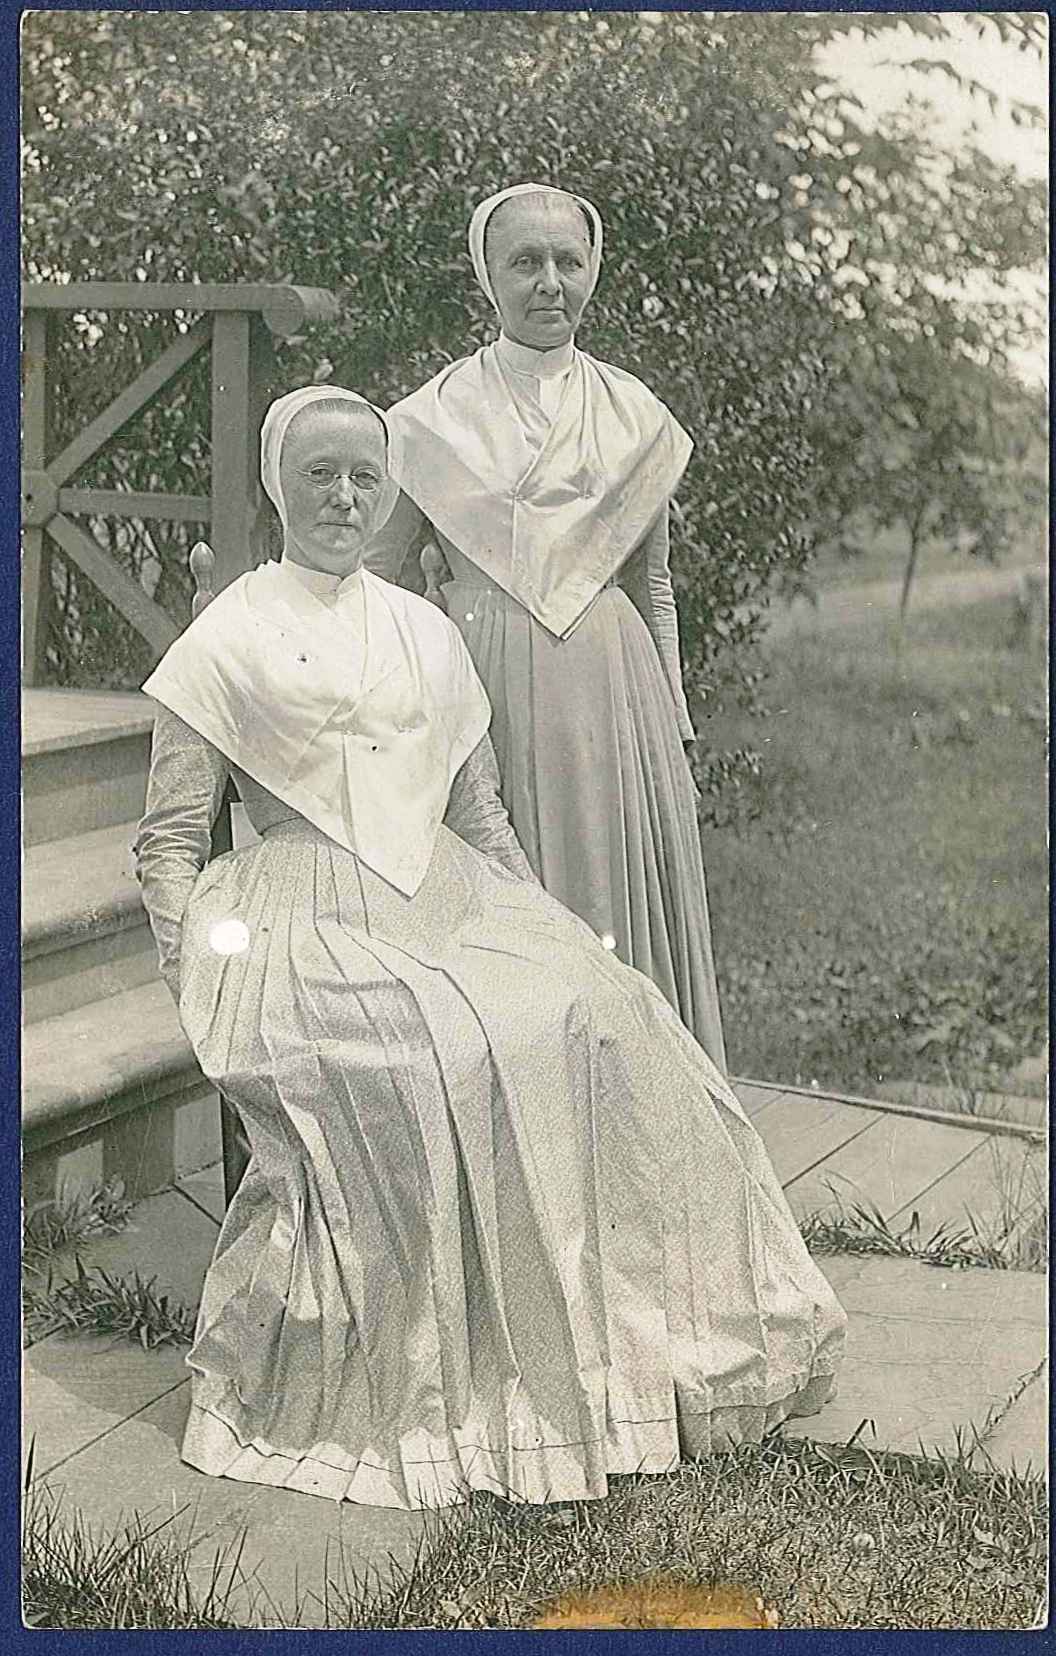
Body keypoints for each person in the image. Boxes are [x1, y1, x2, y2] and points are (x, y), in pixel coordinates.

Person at [135, 385, 844, 1513]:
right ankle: (428, 1378)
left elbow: (477, 817)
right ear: (278, 486)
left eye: (366, 476)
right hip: (292, 910)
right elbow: (167, 847)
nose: (346, 497)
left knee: (610, 1011)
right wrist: (196, 971)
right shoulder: (223, 637)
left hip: (443, 890)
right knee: (435, 1054)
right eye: (319, 473)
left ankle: (609, 1368)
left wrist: (550, 929)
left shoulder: (422, 628)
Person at [373, 182, 726, 1068]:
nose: (549, 283)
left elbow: (654, 584)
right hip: (482, 697)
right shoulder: (427, 420)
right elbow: (377, 582)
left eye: (569, 262)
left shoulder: (633, 417)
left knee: (613, 921)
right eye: (524, 262)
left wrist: (674, 722)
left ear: (593, 271)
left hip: (612, 696)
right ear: (486, 277)